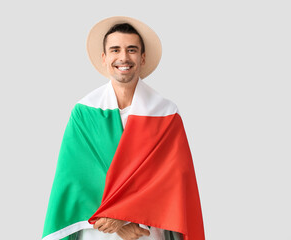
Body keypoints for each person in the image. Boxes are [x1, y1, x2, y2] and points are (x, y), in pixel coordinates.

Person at [42, 16, 205, 240]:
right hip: (98, 231)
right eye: (115, 50)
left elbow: (173, 182)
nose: (123, 57)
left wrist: (124, 215)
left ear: (142, 57)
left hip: (147, 230)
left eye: (131, 50)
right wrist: (118, 222)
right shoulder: (83, 112)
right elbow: (75, 180)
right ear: (104, 58)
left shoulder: (166, 114)